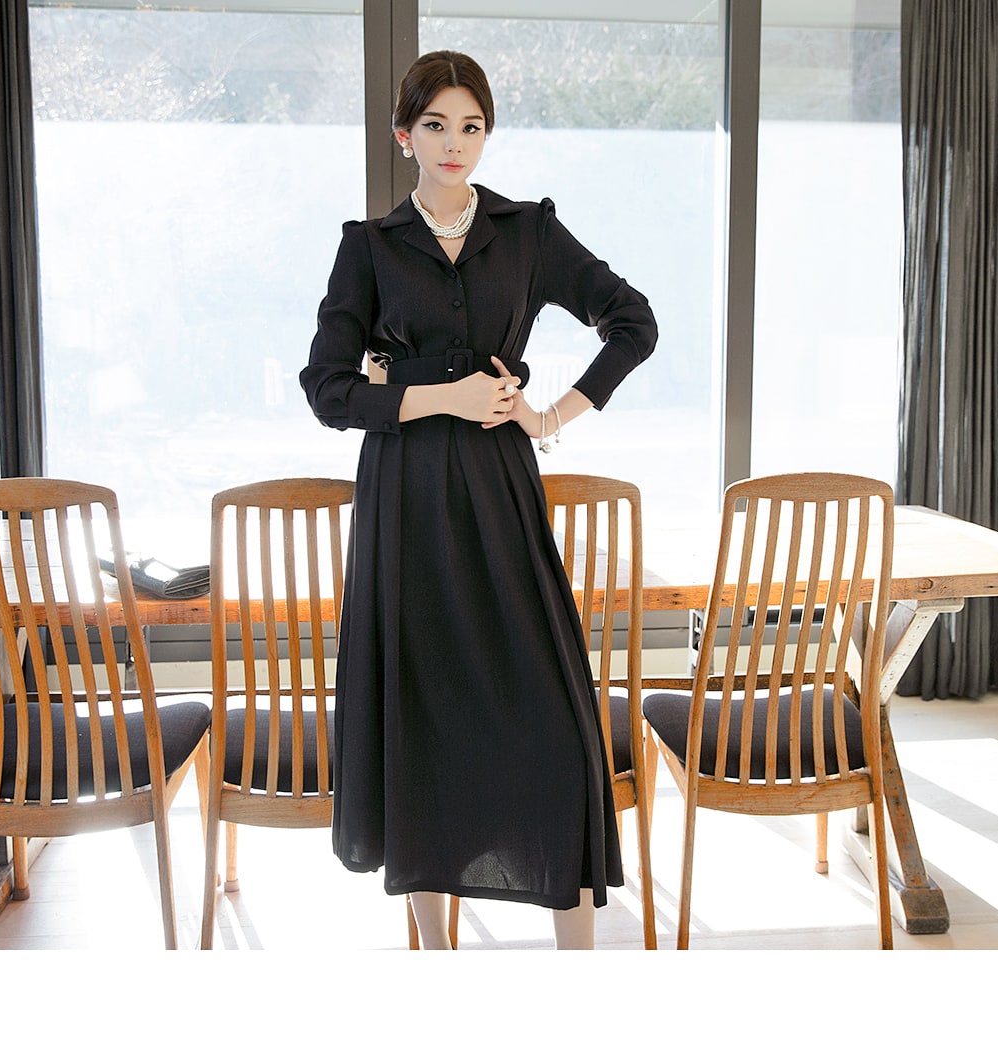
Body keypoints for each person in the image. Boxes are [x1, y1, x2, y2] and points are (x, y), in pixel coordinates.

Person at [300, 50, 657, 950]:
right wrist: (439, 397)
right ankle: (437, 954)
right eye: (435, 126)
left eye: (470, 126)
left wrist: (550, 417)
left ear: (487, 134)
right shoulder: (369, 246)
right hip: (407, 497)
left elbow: (634, 322)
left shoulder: (528, 231)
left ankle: (577, 963)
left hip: (500, 488)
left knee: (556, 725)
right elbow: (328, 390)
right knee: (422, 719)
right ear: (403, 135)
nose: (453, 143)